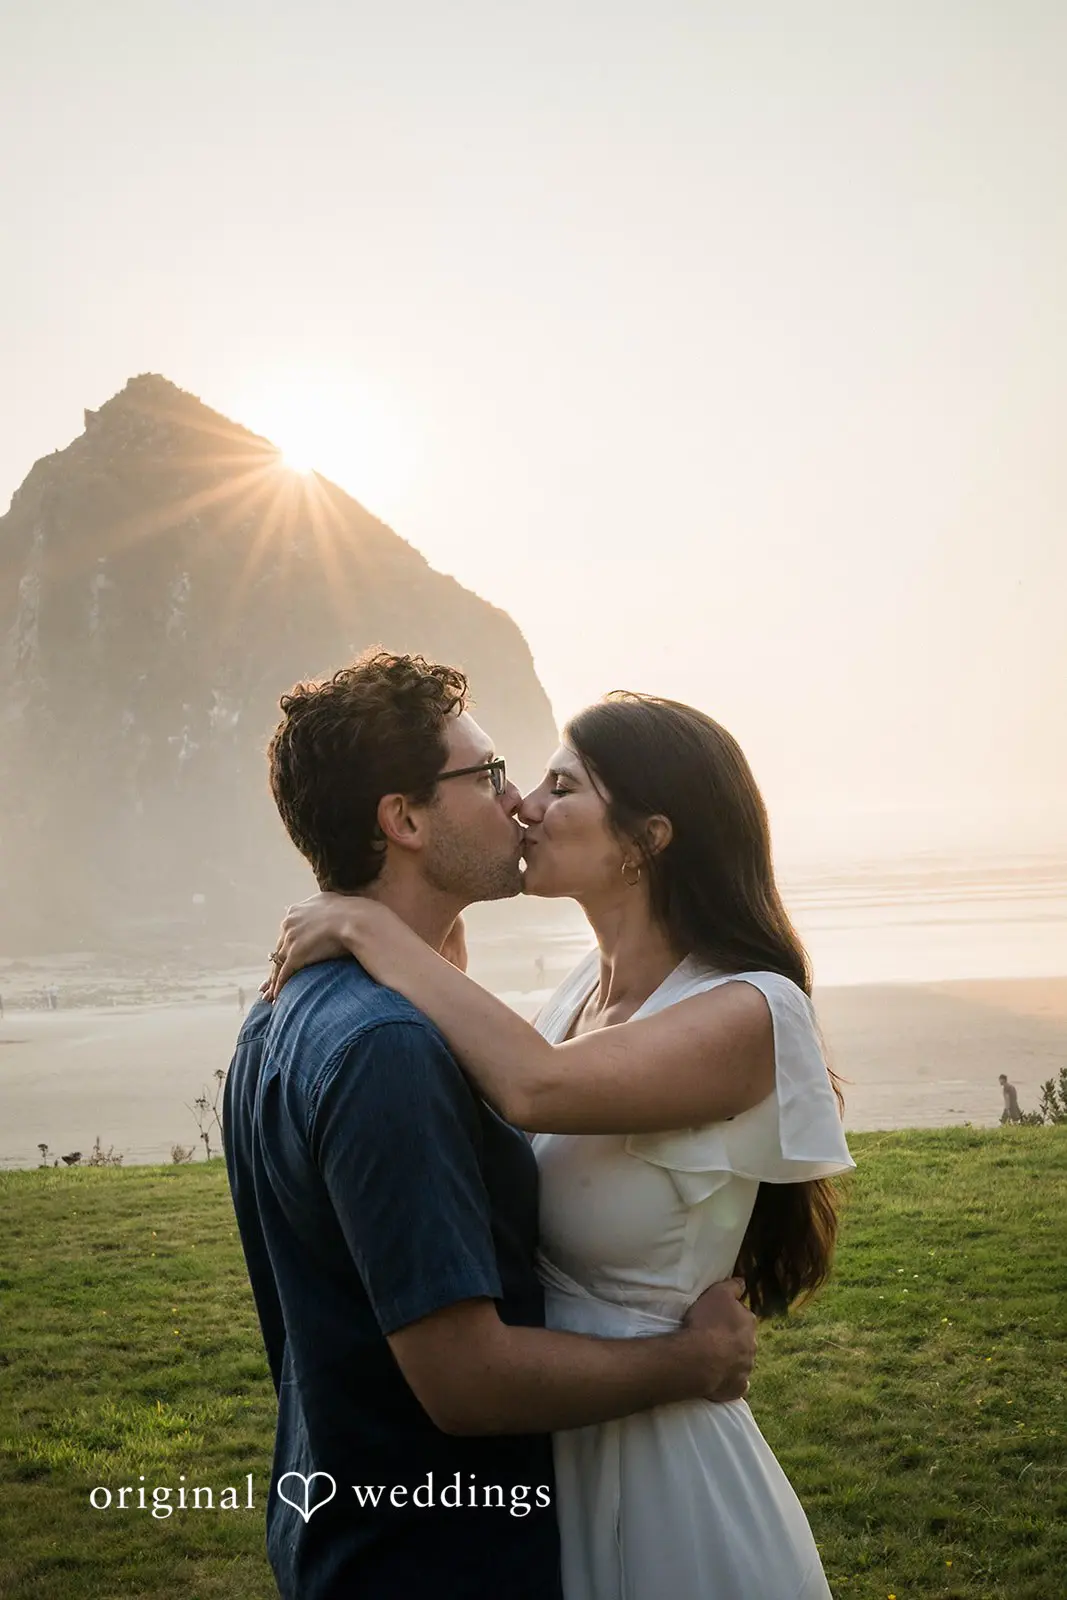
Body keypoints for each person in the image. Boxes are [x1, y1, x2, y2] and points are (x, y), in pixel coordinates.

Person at [269, 686, 856, 1600]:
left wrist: (365, 923)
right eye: (521, 781)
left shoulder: (751, 1010)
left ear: (646, 839)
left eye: (561, 787)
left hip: (657, 1464)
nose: (525, 807)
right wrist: (427, 952)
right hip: (547, 1448)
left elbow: (533, 1088)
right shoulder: (580, 992)